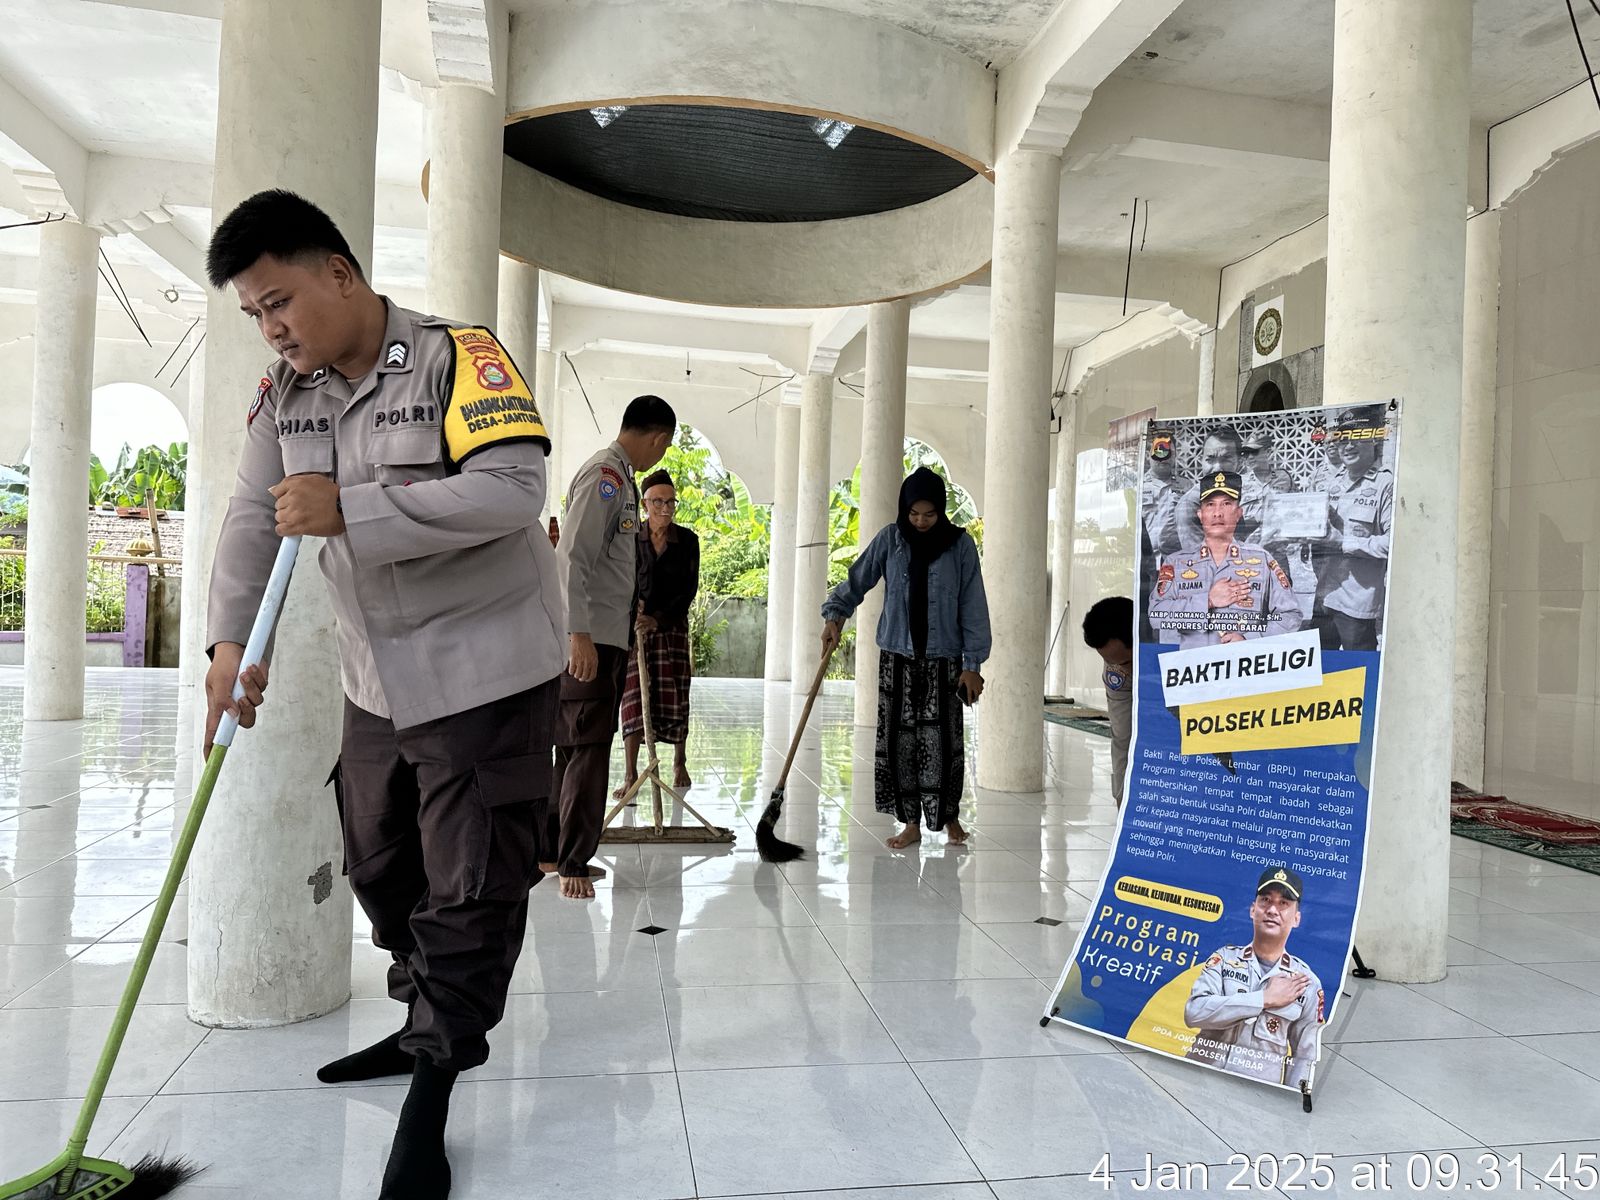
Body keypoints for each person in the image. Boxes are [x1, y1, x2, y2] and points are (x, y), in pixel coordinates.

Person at [200, 189, 564, 1199]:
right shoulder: (286, 397)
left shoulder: (460, 358)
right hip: (379, 676)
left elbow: (511, 491)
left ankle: (437, 1078)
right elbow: (250, 515)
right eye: (255, 317)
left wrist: (351, 506)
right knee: (376, 858)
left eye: (279, 302)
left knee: (471, 885)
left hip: (485, 668)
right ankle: (424, 1022)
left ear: (340, 274)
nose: (272, 330)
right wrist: (233, 641)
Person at [820, 467, 991, 848]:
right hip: (897, 658)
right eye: (914, 514)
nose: (921, 521)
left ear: (941, 511)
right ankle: (910, 822)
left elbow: (973, 605)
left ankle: (949, 819)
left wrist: (972, 665)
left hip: (944, 660)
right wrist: (835, 614)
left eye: (929, 515)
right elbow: (857, 579)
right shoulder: (891, 539)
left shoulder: (960, 546)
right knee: (901, 743)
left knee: (944, 744)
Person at [548, 396, 675, 899]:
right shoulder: (608, 476)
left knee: (573, 746)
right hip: (592, 637)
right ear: (658, 439)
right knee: (587, 748)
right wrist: (578, 633)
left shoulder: (618, 478)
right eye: (662, 447)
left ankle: (552, 850)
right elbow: (572, 556)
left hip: (604, 632)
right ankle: (573, 861)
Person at [1184, 867, 1325, 1088]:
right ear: (1252, 910)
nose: (1272, 910)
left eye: (1283, 903)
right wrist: (1264, 999)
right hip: (1197, 1080)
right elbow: (1193, 1014)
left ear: (1296, 918)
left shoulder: (1305, 982)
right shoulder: (1223, 958)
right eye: (1265, 900)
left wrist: (1291, 1100)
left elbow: (1304, 1056)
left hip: (1254, 1094)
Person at [617, 469, 701, 796]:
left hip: (671, 627)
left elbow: (688, 590)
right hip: (635, 629)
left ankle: (679, 760)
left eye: (670, 503)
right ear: (644, 503)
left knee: (676, 695)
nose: (664, 509)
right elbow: (621, 578)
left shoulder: (687, 541)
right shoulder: (630, 538)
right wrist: (633, 608)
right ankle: (629, 774)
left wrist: (659, 619)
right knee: (634, 697)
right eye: (657, 502)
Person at [1149, 471, 1302, 649]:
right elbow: (1156, 615)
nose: (1217, 513)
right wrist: (1208, 600)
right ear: (1200, 514)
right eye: (1210, 505)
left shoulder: (1261, 559)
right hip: (1193, 669)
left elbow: (1291, 615)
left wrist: (1251, 639)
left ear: (1238, 513)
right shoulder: (1176, 563)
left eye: (1226, 504)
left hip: (1245, 667)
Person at [1310, 406, 1393, 652]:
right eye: (1344, 438)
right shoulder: (1332, 483)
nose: (1348, 445)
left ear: (1375, 439)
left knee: (1357, 675)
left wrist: (1344, 544)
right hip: (1325, 595)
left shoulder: (1384, 485)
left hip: (1357, 604)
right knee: (1318, 671)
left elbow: (1392, 543)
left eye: (1357, 437)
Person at [1082, 597, 1134, 806]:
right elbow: (1123, 736)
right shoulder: (1116, 671)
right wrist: (1121, 799)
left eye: (1127, 662)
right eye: (1108, 661)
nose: (1122, 669)